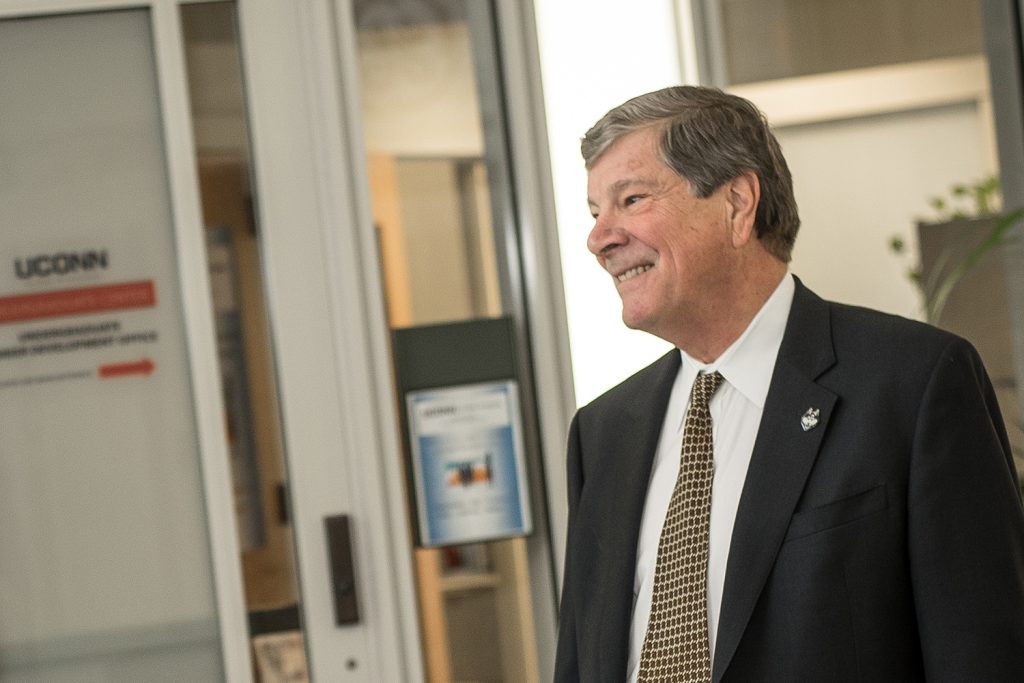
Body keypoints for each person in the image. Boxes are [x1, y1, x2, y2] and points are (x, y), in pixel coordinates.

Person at [553, 85, 1024, 682]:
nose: (600, 239)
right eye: (596, 213)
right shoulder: (602, 435)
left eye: (632, 199)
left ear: (737, 203)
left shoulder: (914, 385)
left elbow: (982, 659)